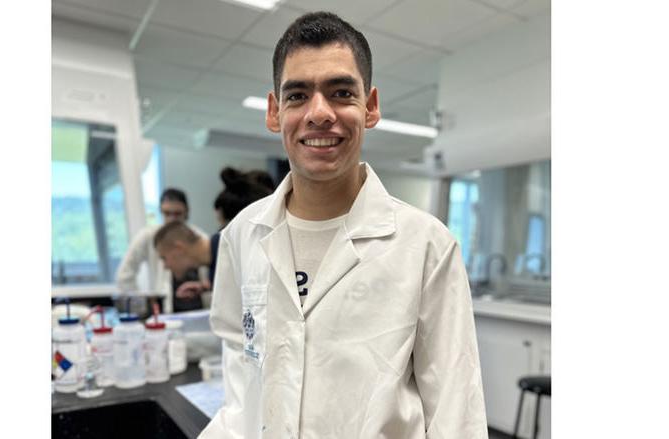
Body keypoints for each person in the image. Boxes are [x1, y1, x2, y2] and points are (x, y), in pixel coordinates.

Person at [200, 12, 488, 439]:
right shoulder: (243, 234)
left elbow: (457, 414)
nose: (319, 113)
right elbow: (242, 385)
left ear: (370, 107)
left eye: (340, 92)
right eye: (297, 95)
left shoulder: (426, 246)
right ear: (274, 112)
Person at [154, 168, 275, 301]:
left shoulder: (229, 249)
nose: (165, 266)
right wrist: (207, 286)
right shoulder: (217, 259)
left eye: (164, 258)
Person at [115, 188, 207, 313]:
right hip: (165, 311)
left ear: (186, 212)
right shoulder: (148, 236)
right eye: (167, 213)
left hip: (199, 310)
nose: (172, 219)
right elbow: (124, 275)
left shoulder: (200, 238)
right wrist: (143, 305)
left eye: (177, 214)